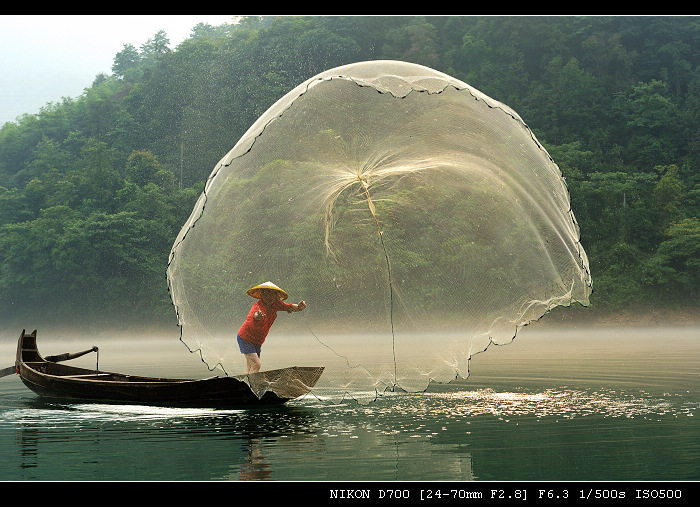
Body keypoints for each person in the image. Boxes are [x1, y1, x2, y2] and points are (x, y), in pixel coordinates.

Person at [237, 281, 306, 374]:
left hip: (257, 341)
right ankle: (252, 386)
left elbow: (289, 307)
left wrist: (299, 307)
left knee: (251, 367)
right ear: (261, 295)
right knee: (256, 365)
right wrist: (258, 316)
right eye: (265, 293)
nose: (268, 296)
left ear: (276, 296)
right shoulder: (257, 306)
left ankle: (246, 383)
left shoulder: (276, 304)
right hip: (246, 339)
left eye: (271, 293)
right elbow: (254, 315)